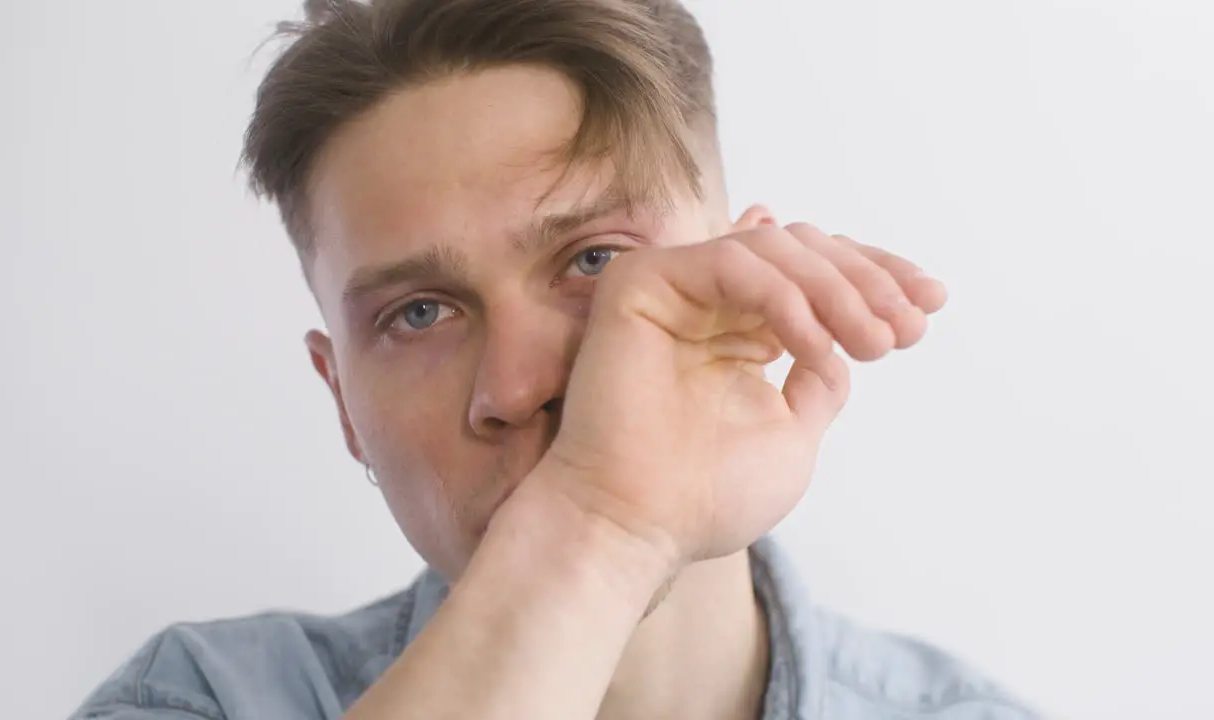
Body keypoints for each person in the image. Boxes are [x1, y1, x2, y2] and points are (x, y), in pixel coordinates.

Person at [72, 1, 1039, 718]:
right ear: (342, 404)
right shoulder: (196, 699)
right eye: (418, 313)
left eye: (595, 262)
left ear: (753, 295)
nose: (519, 386)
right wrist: (602, 525)